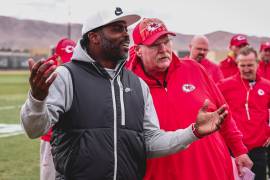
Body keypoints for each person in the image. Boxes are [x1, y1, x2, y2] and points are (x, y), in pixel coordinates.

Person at [20, 8, 228, 180]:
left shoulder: (137, 85)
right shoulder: (66, 76)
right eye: (116, 29)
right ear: (94, 37)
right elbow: (34, 129)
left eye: (125, 29)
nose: (125, 35)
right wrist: (37, 99)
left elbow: (150, 142)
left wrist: (193, 131)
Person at [126, 17, 253, 180]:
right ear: (138, 50)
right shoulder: (128, 84)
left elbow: (224, 112)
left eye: (166, 41)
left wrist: (239, 150)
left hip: (213, 170)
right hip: (162, 174)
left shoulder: (193, 69)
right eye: (154, 44)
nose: (164, 49)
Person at [218, 46, 270, 180]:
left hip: (258, 149)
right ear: (237, 64)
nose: (246, 69)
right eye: (243, 65)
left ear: (258, 63)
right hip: (234, 149)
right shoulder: (224, 86)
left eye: (250, 65)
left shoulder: (267, 86)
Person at [39, 38, 76, 180]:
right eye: (65, 59)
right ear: (57, 57)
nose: (68, 64)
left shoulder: (77, 71)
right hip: (51, 138)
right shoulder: (49, 72)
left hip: (72, 137)